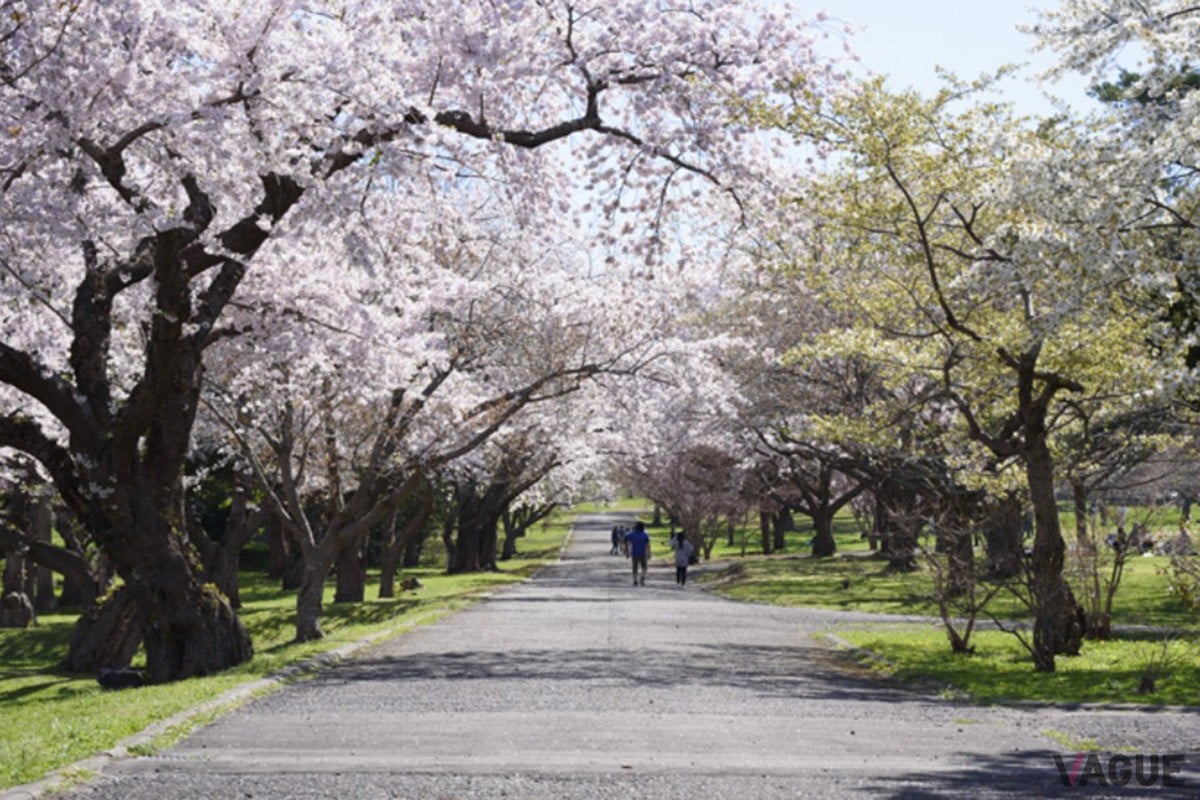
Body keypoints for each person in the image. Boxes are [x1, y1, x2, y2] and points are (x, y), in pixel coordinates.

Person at [625, 521, 651, 586]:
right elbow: (647, 545)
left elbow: (628, 543)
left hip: (634, 553)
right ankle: (642, 577)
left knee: (635, 568)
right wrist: (649, 553)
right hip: (643, 553)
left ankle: (635, 580)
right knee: (644, 567)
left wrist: (627, 552)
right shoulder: (645, 535)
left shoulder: (631, 534)